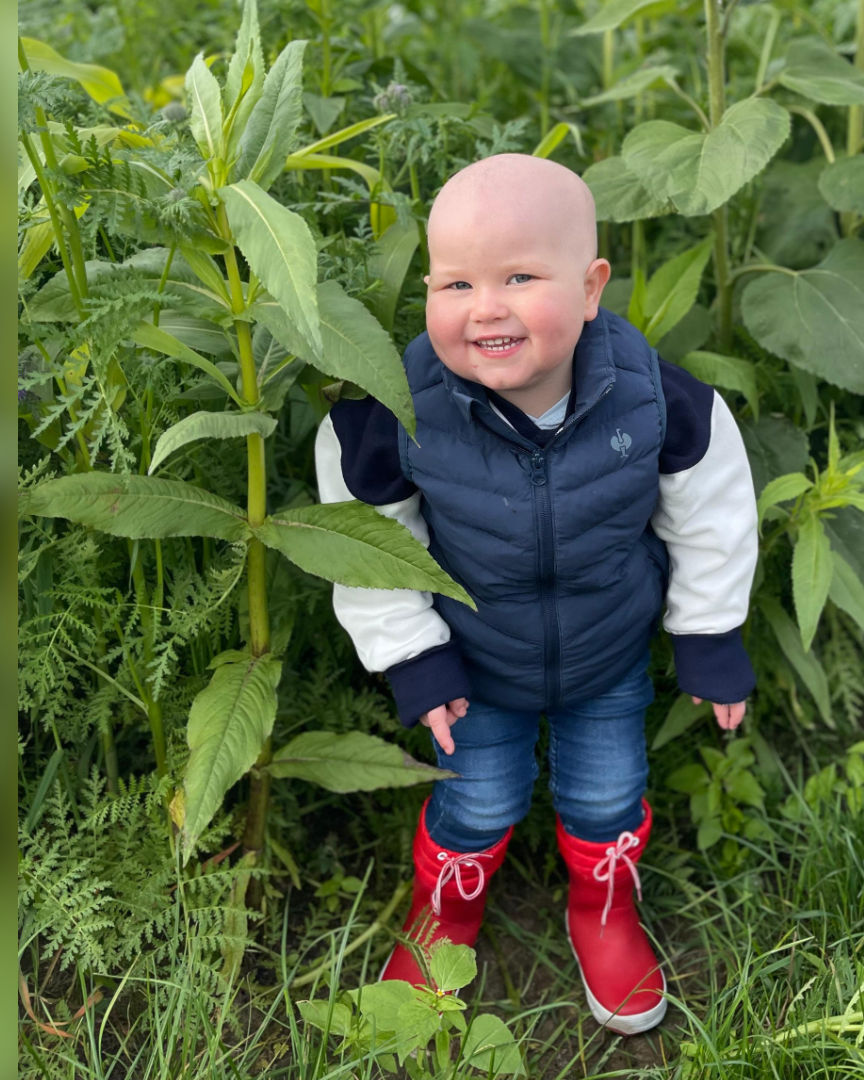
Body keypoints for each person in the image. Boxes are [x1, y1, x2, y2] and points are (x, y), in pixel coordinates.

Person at [314, 153, 757, 1034]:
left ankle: (604, 911)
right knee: (475, 800)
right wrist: (412, 654)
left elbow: (711, 508)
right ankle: (446, 917)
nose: (486, 307)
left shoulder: (652, 400)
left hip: (607, 656)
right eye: (457, 283)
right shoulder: (398, 410)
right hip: (471, 666)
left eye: (520, 277)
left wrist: (707, 636)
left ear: (591, 287)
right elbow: (365, 539)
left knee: (607, 794)